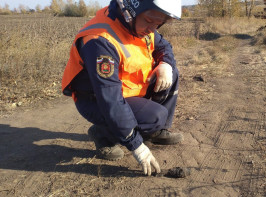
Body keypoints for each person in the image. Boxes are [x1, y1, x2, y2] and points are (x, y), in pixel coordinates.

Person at [61, 0, 183, 176]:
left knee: (171, 73)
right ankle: (103, 134)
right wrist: (136, 146)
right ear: (130, 11)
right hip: (95, 99)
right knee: (156, 116)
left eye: (158, 24)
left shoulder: (141, 25)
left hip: (126, 90)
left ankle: (155, 131)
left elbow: (163, 45)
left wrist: (165, 64)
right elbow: (110, 100)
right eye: (149, 21)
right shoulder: (100, 40)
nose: (152, 29)